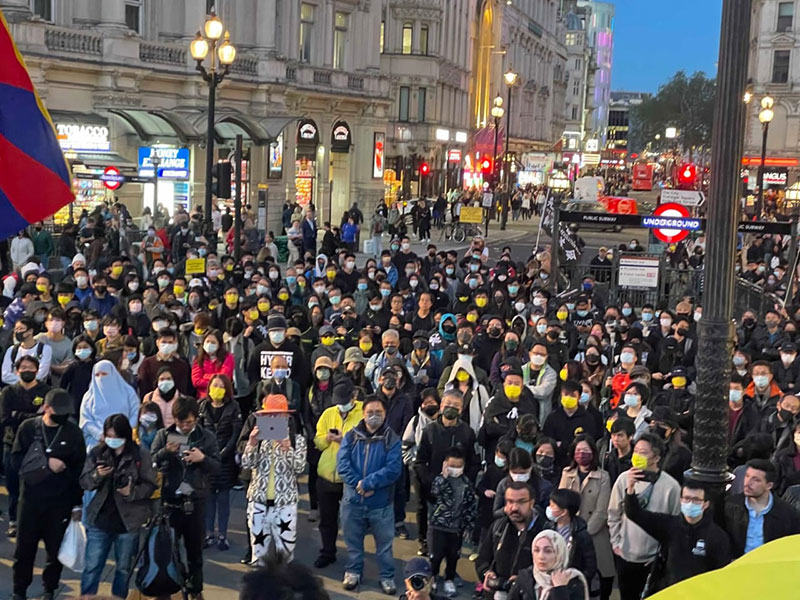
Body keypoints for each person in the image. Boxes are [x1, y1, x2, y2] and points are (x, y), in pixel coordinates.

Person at [11, 389, 86, 600]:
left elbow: (79, 469)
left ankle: (49, 588)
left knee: (55, 551)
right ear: (46, 407)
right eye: (57, 410)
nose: (62, 415)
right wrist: (46, 463)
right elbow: (15, 461)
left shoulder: (73, 433)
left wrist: (77, 505)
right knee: (24, 550)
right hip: (30, 500)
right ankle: (19, 590)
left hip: (60, 502)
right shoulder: (28, 428)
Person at [79, 413, 158, 598]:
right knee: (92, 567)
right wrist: (98, 475)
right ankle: (87, 596)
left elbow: (150, 485)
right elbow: (84, 481)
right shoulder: (98, 453)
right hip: (100, 519)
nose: (112, 441)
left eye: (117, 437)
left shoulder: (140, 454)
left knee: (124, 569)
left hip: (128, 522)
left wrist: (131, 492)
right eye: (109, 437)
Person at [150, 396, 222, 599]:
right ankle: (177, 582)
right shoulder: (164, 435)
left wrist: (202, 459)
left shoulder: (206, 437)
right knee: (170, 549)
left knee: (195, 550)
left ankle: (195, 587)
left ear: (195, 419)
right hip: (171, 501)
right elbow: (150, 460)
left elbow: (217, 467)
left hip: (196, 499)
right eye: (180, 422)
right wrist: (166, 452)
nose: (184, 426)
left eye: (189, 422)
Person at [336, 395, 403, 594]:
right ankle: (353, 572)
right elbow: (342, 464)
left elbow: (393, 469)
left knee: (384, 545)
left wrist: (368, 483)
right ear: (363, 414)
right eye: (370, 412)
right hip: (353, 500)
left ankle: (387, 576)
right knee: (353, 541)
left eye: (378, 412)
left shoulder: (392, 439)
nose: (374, 416)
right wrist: (358, 484)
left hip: (380, 503)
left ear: (385, 414)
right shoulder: (351, 436)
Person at [607, 433, 681, 600]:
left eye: (643, 452)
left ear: (656, 458)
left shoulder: (671, 487)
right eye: (636, 451)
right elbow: (613, 513)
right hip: (625, 554)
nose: (637, 456)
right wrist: (616, 542)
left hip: (652, 559)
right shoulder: (624, 479)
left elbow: (674, 524)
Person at [623, 478, 731, 592]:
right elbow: (635, 514)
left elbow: (721, 574)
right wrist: (630, 489)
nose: (690, 503)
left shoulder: (718, 537)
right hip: (670, 591)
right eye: (687, 498)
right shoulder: (669, 525)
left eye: (696, 500)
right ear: (681, 500)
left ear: (705, 504)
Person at [242, 393, 307, 563]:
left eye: (278, 414)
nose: (274, 417)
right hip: (258, 502)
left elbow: (299, 467)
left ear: (286, 416)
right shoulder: (260, 439)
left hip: (285, 504)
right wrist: (251, 443)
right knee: (258, 556)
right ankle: (259, 588)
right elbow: (247, 464)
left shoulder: (297, 440)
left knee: (285, 555)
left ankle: (284, 587)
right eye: (270, 414)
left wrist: (288, 449)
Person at [312, 377, 363, 567]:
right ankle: (327, 552)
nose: (341, 406)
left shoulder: (363, 413)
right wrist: (327, 439)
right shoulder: (328, 413)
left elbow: (367, 444)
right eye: (338, 402)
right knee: (327, 519)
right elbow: (316, 441)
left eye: (344, 401)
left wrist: (345, 442)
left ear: (354, 396)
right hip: (326, 475)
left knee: (352, 521)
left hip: (350, 477)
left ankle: (354, 557)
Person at [0, 354, 52, 537]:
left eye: (31, 368)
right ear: (16, 371)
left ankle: (37, 523)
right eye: (23, 368)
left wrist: (19, 415)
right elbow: (5, 418)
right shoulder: (8, 392)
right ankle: (14, 521)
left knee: (38, 486)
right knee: (14, 487)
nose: (27, 371)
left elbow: (48, 418)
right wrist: (35, 416)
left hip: (39, 445)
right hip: (12, 445)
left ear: (37, 370)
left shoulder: (46, 391)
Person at [559, 434, 614, 600]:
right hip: (569, 535)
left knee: (600, 583)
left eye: (585, 450)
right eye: (578, 450)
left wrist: (583, 534)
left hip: (595, 536)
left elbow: (602, 511)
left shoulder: (603, 476)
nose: (581, 454)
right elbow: (560, 503)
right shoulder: (567, 473)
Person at [476, 482, 548, 599]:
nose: (514, 508)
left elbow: (551, 570)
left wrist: (524, 580)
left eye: (521, 502)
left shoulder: (544, 531)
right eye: (510, 501)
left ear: (532, 502)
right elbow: (482, 559)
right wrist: (486, 574)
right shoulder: (498, 527)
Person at [199, 374, 243, 551]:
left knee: (224, 498)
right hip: (207, 459)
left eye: (221, 386)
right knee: (208, 497)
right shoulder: (202, 406)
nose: (217, 389)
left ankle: (223, 534)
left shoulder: (233, 407)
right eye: (214, 385)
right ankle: (209, 533)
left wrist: (225, 451)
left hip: (226, 460)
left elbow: (236, 432)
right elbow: (198, 431)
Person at [723, 458, 800, 556]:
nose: (747, 483)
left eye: (756, 480)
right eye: (747, 476)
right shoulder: (729, 506)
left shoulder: (788, 514)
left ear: (769, 485)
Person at [429, 446, 478, 596]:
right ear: (445, 464)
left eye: (458, 466)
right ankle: (433, 577)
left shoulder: (466, 483)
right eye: (452, 466)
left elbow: (470, 505)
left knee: (453, 555)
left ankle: (449, 578)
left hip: (456, 528)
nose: (455, 469)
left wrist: (468, 526)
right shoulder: (439, 480)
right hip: (438, 525)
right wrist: (443, 477)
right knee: (435, 555)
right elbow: (434, 494)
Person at [509, 530, 591, 600]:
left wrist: (560, 589)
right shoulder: (525, 577)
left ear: (559, 554)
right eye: (536, 550)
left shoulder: (572, 581)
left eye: (548, 551)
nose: (541, 556)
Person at [79, 359, 140, 449]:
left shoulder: (128, 392)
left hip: (124, 441)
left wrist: (124, 432)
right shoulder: (89, 397)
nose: (100, 378)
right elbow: (85, 421)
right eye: (97, 375)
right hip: (97, 443)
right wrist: (100, 435)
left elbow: (135, 413)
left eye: (104, 374)